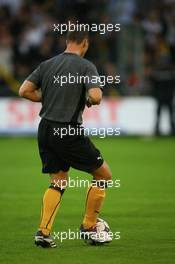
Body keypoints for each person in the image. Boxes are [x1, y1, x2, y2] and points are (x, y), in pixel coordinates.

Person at [19, 29, 112, 248]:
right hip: (68, 131)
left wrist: (46, 96)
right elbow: (97, 96)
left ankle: (43, 232)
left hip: (45, 129)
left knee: (58, 181)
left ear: (67, 41)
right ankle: (89, 226)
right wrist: (89, 99)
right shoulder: (85, 66)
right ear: (85, 43)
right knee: (104, 176)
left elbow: (24, 90)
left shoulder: (48, 64)